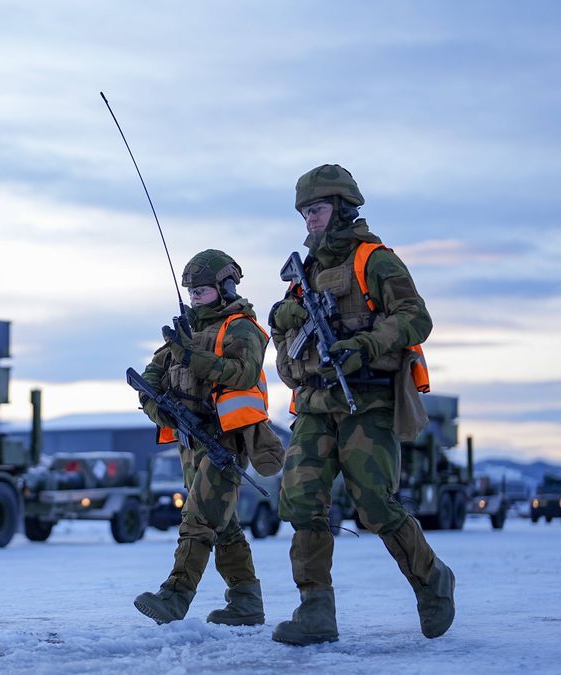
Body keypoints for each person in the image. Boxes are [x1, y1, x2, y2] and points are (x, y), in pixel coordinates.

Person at [268, 164, 455, 645]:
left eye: (317, 209)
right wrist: (285, 322)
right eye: (305, 212)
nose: (310, 219)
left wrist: (366, 345)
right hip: (314, 403)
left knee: (374, 503)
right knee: (301, 500)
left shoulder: (375, 261)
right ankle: (315, 611)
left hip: (367, 400)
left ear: (342, 207)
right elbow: (285, 337)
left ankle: (432, 580)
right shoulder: (305, 274)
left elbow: (416, 317)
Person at [134, 249, 285, 626]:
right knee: (224, 523)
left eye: (201, 290)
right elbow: (151, 377)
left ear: (226, 287)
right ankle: (246, 602)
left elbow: (242, 372)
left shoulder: (241, 328)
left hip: (226, 440)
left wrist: (190, 356)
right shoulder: (184, 331)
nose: (195, 298)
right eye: (191, 292)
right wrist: (161, 410)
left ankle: (175, 596)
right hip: (190, 441)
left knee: (199, 518)